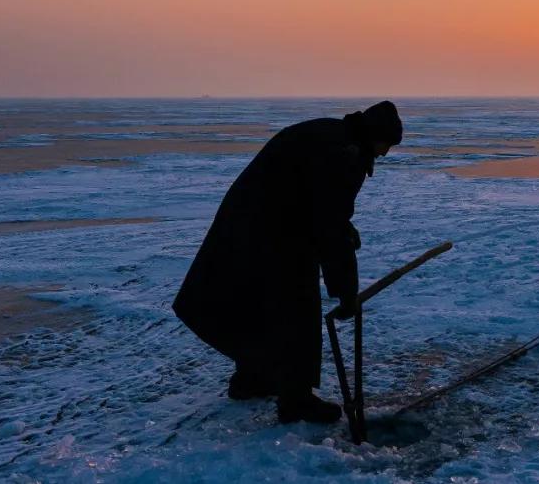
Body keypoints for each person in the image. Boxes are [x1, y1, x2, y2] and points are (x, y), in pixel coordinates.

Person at [172, 101, 403, 424]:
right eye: (386, 145)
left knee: (256, 301)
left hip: (250, 222)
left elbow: (317, 202)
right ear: (375, 136)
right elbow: (328, 225)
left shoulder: (330, 134)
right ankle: (296, 400)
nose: (385, 154)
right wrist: (346, 292)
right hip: (274, 230)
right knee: (297, 308)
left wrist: (341, 229)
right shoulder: (344, 154)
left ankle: (253, 378)